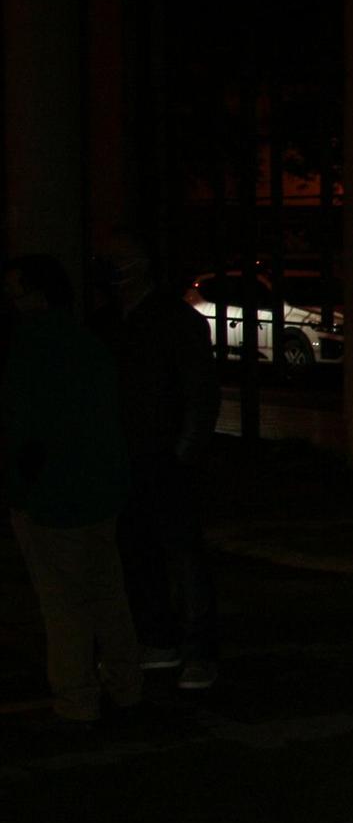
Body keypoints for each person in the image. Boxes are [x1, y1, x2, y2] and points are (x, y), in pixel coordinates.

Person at [3, 255, 144, 725]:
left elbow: (20, 430)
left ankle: (77, 699)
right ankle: (126, 684)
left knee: (62, 603)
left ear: (35, 296)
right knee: (107, 591)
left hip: (52, 494)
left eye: (18, 291)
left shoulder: (27, 348)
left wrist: (19, 492)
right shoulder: (89, 342)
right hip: (101, 488)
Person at [94, 235, 220, 690]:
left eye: (123, 262)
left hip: (165, 456)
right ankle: (159, 640)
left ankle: (197, 651)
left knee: (181, 554)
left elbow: (200, 391)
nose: (114, 272)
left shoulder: (174, 320)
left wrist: (184, 452)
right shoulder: (110, 321)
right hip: (126, 457)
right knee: (137, 551)